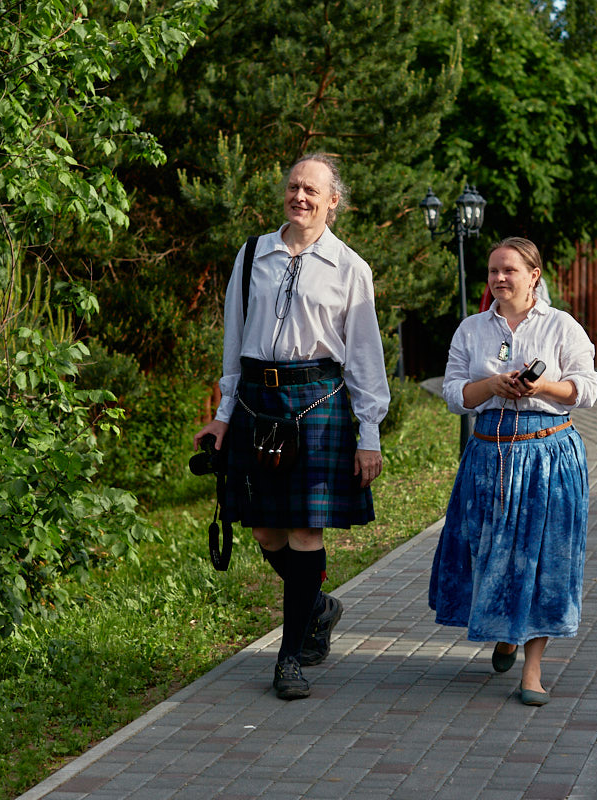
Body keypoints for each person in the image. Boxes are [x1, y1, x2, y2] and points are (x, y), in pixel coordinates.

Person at [194, 154, 389, 700]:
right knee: (264, 531)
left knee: (305, 531)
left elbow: (365, 357)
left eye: (312, 190)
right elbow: (234, 341)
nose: (299, 196)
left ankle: (289, 657)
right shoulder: (252, 254)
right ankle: (318, 607)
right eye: (293, 186)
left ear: (333, 202)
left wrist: (369, 434)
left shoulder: (350, 267)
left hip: (318, 402)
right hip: (257, 400)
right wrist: (223, 415)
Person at [429, 237, 597, 706]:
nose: (499, 278)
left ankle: (532, 669)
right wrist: (490, 385)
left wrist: (542, 386)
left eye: (509, 270)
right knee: (490, 552)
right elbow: (453, 395)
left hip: (549, 455)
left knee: (544, 559)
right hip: (488, 456)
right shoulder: (471, 329)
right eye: (493, 271)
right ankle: (506, 632)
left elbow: (586, 390)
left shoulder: (562, 325)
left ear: (533, 276)